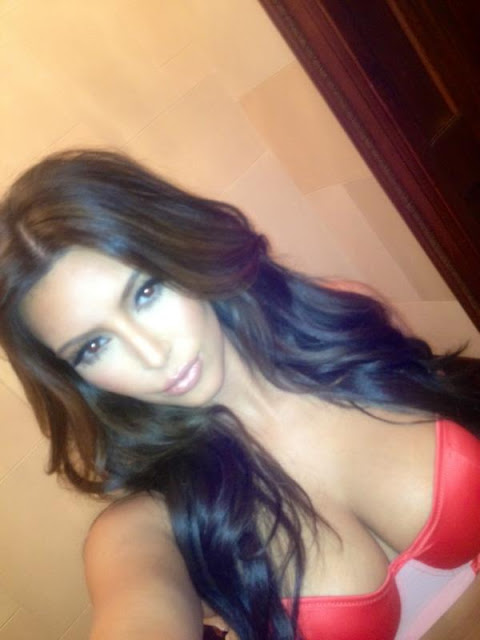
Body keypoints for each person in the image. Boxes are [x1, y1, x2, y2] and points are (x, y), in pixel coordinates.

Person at [1, 149, 480, 640]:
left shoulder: (341, 321)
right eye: (94, 346)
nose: (152, 354)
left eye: (146, 292)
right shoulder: (148, 526)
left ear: (181, 248)